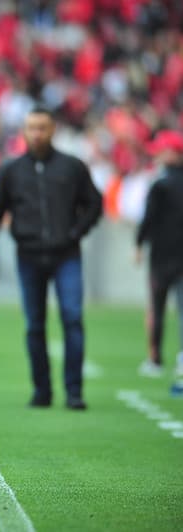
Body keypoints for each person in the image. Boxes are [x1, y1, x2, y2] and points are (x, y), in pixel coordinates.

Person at [0, 107, 102, 410]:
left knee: (72, 318)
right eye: (31, 127)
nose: (36, 133)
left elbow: (95, 203)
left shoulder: (72, 167)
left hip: (66, 255)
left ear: (53, 130)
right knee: (35, 324)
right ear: (23, 131)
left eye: (42, 127)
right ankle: (42, 390)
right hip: (29, 255)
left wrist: (75, 233)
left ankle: (74, 391)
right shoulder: (11, 169)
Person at [134, 130, 183, 394]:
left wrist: (138, 244)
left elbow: (148, 217)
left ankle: (155, 358)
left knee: (157, 307)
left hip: (162, 255)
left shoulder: (160, 183)